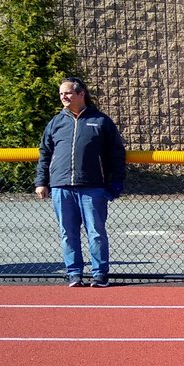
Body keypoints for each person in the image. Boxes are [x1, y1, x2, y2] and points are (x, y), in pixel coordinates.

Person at [35, 77, 126, 288]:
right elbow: (45, 154)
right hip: (61, 186)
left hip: (93, 187)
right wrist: (41, 182)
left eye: (67, 93)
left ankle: (99, 274)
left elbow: (116, 154)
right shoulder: (55, 123)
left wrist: (116, 183)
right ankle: (74, 273)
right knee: (68, 233)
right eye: (61, 94)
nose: (63, 97)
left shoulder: (101, 121)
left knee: (96, 233)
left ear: (81, 93)